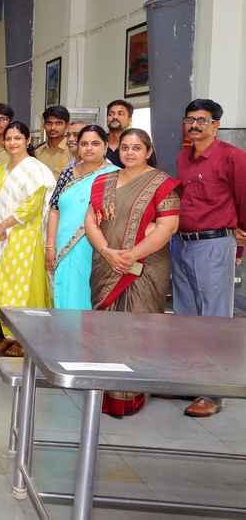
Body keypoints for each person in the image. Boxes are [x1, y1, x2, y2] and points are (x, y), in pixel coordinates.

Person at [86, 128, 180, 417]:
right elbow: (90, 222)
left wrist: (131, 256)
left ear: (148, 151)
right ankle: (106, 392)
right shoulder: (103, 180)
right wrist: (107, 252)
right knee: (106, 329)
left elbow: (168, 227)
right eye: (125, 147)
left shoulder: (162, 183)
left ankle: (131, 395)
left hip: (145, 267)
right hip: (107, 262)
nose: (129, 152)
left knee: (138, 329)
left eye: (136, 148)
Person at [172, 99, 246, 418]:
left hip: (214, 243)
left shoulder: (232, 156)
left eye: (202, 120)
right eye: (190, 119)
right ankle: (190, 381)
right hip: (181, 243)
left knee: (214, 319)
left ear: (216, 125)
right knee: (186, 315)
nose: (194, 125)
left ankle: (213, 392)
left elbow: (244, 198)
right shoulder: (183, 157)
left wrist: (240, 239)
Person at [0, 121, 56, 357]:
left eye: (17, 138)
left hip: (25, 237)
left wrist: (3, 225)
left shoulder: (36, 170)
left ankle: (25, 340)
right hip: (0, 236)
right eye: (9, 138)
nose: (12, 143)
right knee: (1, 284)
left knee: (22, 287)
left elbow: (32, 207)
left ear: (28, 140)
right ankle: (9, 335)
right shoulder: (2, 169)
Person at [45, 125, 117, 310]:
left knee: (86, 292)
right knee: (64, 291)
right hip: (63, 245)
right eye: (84, 144)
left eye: (95, 143)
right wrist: (50, 246)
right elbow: (54, 209)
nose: (89, 148)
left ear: (105, 146)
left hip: (96, 247)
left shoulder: (115, 175)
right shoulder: (68, 172)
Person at [35, 105, 73, 178]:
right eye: (49, 123)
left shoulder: (73, 151)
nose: (53, 127)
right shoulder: (38, 152)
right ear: (44, 125)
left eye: (58, 123)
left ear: (67, 125)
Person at [105, 99, 133, 168]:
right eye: (110, 114)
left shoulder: (139, 143)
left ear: (129, 120)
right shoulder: (97, 142)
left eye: (120, 114)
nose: (115, 117)